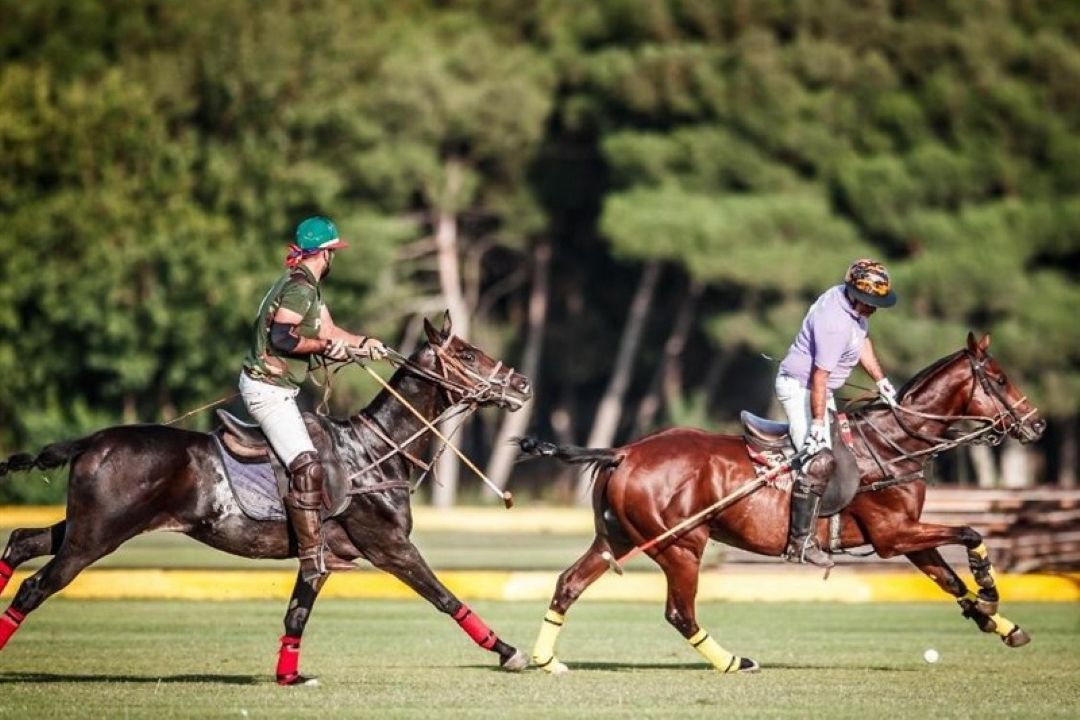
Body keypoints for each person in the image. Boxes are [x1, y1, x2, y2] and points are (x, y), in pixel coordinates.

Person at [240, 215, 388, 584]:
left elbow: (330, 331)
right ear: (325, 254)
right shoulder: (299, 290)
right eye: (333, 252)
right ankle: (313, 554)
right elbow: (283, 339)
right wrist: (326, 348)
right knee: (308, 465)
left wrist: (364, 344)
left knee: (319, 454)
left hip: (278, 389)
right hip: (268, 390)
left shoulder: (307, 286)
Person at [775, 259, 899, 567]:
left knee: (845, 453)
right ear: (855, 294)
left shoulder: (853, 310)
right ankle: (800, 542)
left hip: (819, 388)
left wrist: (881, 380)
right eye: (870, 302)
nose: (874, 308)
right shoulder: (834, 321)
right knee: (818, 460)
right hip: (802, 386)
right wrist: (817, 424)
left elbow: (861, 342)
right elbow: (820, 375)